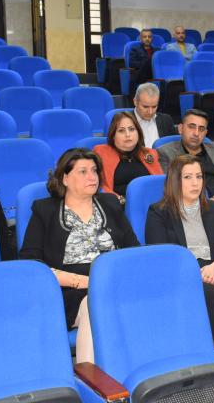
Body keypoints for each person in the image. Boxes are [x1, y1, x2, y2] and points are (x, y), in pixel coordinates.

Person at [19, 148, 139, 363]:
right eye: (83, 171)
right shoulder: (45, 210)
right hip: (68, 289)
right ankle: (89, 376)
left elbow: (133, 250)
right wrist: (82, 282)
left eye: (94, 170)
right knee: (93, 304)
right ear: (65, 178)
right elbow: (31, 265)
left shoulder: (110, 204)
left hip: (114, 283)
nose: (92, 177)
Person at [146, 155, 214, 338]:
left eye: (199, 177)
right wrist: (196, 272)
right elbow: (160, 257)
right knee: (210, 293)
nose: (195, 183)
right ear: (175, 181)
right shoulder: (158, 212)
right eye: (187, 177)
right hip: (180, 273)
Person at [157, 108, 214, 201]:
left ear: (205, 133)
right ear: (181, 129)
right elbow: (172, 189)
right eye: (191, 127)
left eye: (201, 129)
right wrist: (209, 202)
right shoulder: (165, 153)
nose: (196, 133)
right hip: (193, 204)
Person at [93, 111, 162, 201]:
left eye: (132, 129)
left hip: (150, 202)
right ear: (113, 135)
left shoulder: (149, 153)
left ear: (138, 132)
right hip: (118, 203)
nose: (128, 135)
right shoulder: (102, 152)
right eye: (121, 131)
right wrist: (119, 200)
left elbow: (160, 183)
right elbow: (100, 185)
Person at [132, 82, 175, 148]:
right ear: (135, 102)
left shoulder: (166, 120)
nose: (150, 112)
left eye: (154, 107)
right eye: (145, 107)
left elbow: (173, 147)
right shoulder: (125, 122)